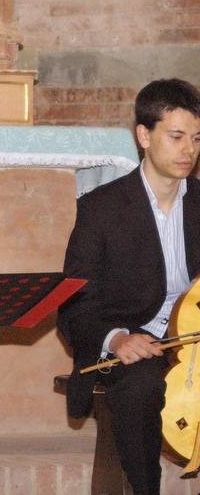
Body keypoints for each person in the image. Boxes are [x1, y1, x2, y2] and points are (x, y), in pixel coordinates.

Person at [58, 78, 200, 495]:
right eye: (176, 137)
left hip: (192, 339)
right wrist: (116, 338)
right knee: (141, 383)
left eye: (196, 138)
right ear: (143, 135)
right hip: (136, 345)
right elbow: (72, 306)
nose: (188, 149)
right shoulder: (101, 208)